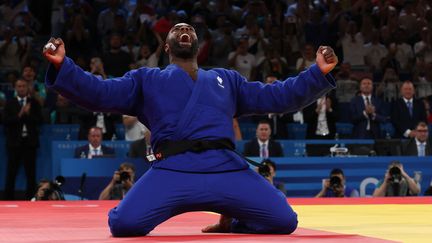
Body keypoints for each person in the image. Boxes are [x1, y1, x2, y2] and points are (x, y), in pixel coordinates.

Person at [43, 23, 337, 236]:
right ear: (167, 46)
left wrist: (317, 73)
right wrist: (63, 67)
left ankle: (231, 222)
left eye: (191, 30)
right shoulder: (147, 79)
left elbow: (277, 97)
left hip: (225, 168)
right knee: (123, 224)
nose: (185, 31)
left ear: (198, 46)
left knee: (284, 221)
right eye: (178, 30)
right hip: (173, 169)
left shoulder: (226, 80)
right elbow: (100, 92)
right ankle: (229, 214)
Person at [3, 79, 43, 200]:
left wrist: (29, 114)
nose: (21, 88)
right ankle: (7, 200)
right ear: (15, 88)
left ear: (27, 87)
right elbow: (6, 121)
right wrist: (20, 114)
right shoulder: (10, 103)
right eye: (19, 86)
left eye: (24, 86)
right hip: (14, 144)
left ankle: (31, 199)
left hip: (29, 143)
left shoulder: (34, 103)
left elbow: (40, 120)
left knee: (31, 174)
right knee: (11, 173)